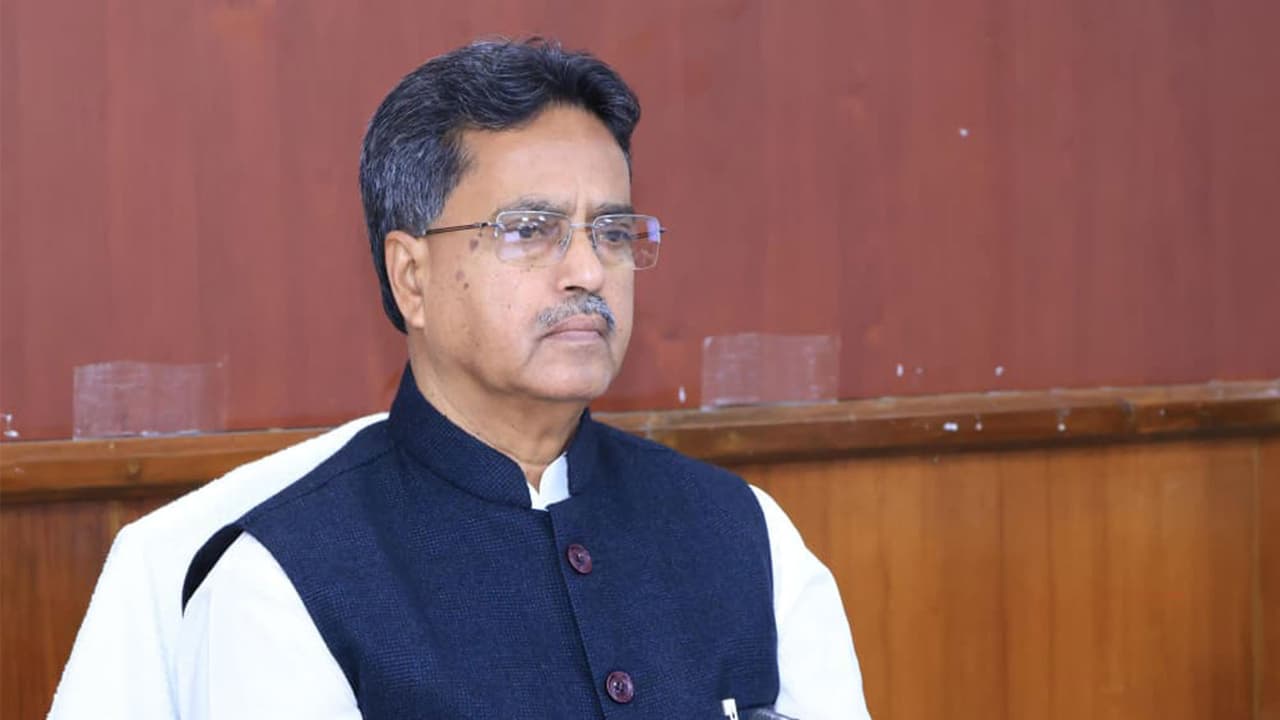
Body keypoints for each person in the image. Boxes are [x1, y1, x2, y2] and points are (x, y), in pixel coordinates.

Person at [177, 38, 871, 719]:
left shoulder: (744, 533)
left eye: (612, 231)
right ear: (411, 276)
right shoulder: (279, 581)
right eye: (531, 229)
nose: (588, 271)